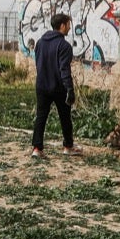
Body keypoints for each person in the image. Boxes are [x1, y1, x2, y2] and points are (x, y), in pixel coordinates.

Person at [30, 13, 78, 159]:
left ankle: (37, 149)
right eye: (68, 24)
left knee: (41, 117)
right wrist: (69, 89)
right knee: (65, 117)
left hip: (41, 85)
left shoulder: (40, 43)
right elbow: (64, 69)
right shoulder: (64, 46)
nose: (69, 28)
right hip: (58, 87)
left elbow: (38, 63)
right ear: (62, 26)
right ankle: (68, 147)